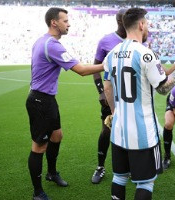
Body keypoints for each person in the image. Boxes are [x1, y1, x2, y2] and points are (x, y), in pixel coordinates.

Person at [103, 8, 175, 200]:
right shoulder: (146, 54)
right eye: (146, 23)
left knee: (119, 177)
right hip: (142, 132)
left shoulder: (112, 54)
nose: (147, 27)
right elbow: (163, 88)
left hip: (119, 128)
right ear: (141, 25)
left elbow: (107, 88)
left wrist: (115, 113)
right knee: (146, 182)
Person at [26, 7, 104, 200]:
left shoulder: (41, 41)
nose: (68, 24)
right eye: (65, 21)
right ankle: (38, 193)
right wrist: (109, 64)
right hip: (40, 100)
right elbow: (82, 70)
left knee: (57, 136)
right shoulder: (52, 45)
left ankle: (51, 173)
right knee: (39, 146)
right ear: (54, 22)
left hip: (46, 99)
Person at [91, 8, 127, 185]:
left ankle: (130, 166)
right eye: (123, 19)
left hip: (130, 96)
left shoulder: (138, 39)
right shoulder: (106, 41)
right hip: (110, 94)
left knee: (130, 129)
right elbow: (96, 69)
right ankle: (100, 166)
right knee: (107, 130)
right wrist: (101, 92)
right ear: (118, 21)